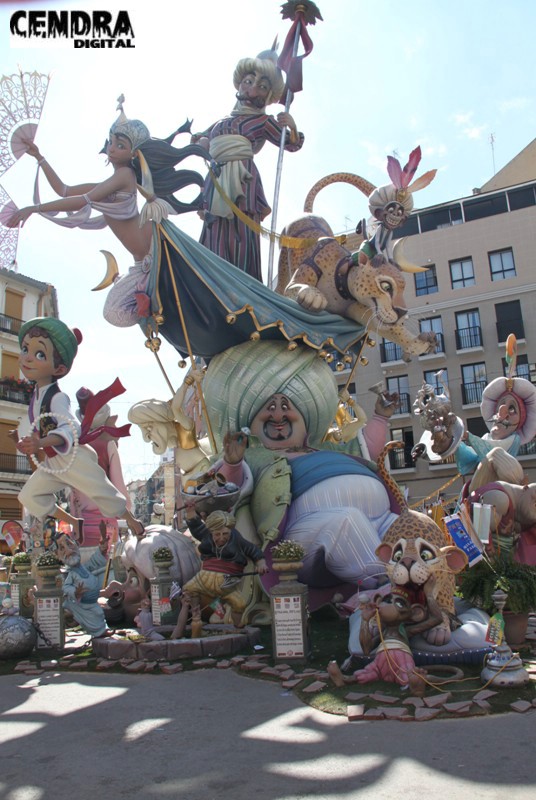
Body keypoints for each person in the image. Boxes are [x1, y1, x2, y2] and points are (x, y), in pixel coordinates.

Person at [201, 339, 401, 609]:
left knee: (408, 530)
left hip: (380, 516)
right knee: (345, 524)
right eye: (269, 409)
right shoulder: (253, 455)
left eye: (286, 407)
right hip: (303, 540)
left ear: (306, 422)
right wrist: (232, 462)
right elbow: (225, 493)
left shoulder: (326, 448)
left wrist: (380, 417)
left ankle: (423, 585)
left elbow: (367, 447)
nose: (278, 415)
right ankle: (386, 589)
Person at [5, 98, 207, 328]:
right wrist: (39, 157)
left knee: (130, 309)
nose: (111, 148)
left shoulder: (125, 176)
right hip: (142, 263)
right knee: (114, 312)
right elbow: (64, 190)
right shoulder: (109, 184)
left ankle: (154, 306)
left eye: (120, 145)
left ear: (134, 154)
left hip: (155, 251)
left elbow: (82, 201)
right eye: (111, 142)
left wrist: (34, 208)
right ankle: (151, 307)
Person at [16, 317, 144, 541]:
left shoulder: (58, 397)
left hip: (74, 458)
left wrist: (40, 443)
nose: (27, 357)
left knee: (104, 492)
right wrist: (28, 442)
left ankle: (133, 521)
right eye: (25, 349)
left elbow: (70, 428)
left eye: (39, 354)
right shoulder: (36, 397)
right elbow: (41, 428)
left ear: (60, 368)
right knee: (29, 496)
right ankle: (75, 522)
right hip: (55, 461)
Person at [193, 47, 304, 281]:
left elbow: (290, 144)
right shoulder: (222, 121)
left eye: (261, 86)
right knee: (214, 229)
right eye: (248, 82)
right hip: (216, 179)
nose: (252, 89)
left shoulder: (263, 121)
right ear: (240, 83)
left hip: (243, 179)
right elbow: (201, 141)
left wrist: (292, 127)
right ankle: (210, 279)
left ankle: (242, 283)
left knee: (241, 234)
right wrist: (201, 142)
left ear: (269, 94)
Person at [172, 505, 268, 637]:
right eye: (217, 534)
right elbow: (197, 526)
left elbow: (252, 550)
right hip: (203, 578)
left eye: (225, 534)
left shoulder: (236, 538)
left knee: (239, 604)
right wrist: (190, 511)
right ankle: (195, 620)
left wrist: (261, 563)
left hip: (226, 583)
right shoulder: (207, 535)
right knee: (188, 590)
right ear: (211, 531)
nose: (221, 538)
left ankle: (239, 627)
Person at [68, 384, 132, 550]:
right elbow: (119, 487)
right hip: (107, 523)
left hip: (81, 525)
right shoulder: (108, 444)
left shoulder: (74, 447)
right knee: (106, 563)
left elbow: (72, 493)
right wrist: (128, 510)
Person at [52, 529, 111, 638]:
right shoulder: (70, 574)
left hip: (93, 601)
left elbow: (94, 562)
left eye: (69, 544)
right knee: (93, 616)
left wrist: (102, 549)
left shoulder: (83, 567)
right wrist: (75, 592)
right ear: (58, 555)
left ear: (76, 544)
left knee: (99, 613)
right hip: (83, 604)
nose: (68, 551)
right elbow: (66, 587)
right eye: (62, 548)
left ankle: (103, 630)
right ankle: (98, 631)